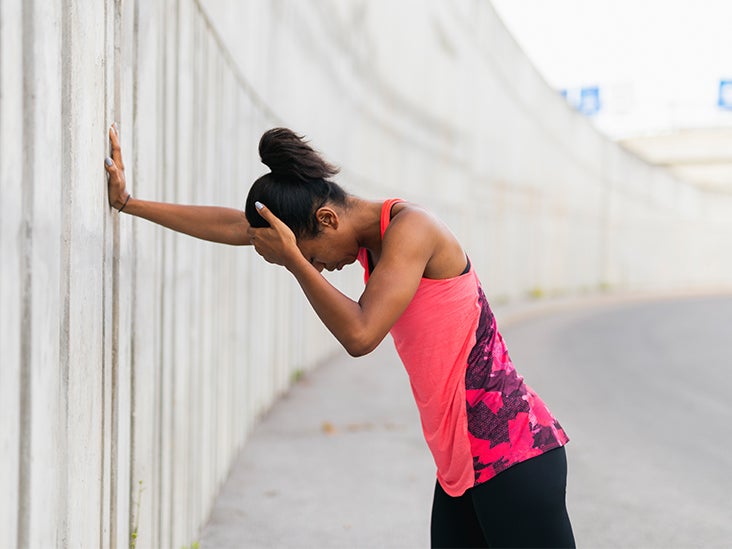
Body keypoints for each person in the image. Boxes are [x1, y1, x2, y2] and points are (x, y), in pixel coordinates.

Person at [104, 124, 575, 548]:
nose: (317, 265)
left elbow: (361, 334)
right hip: (462, 465)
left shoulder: (414, 230)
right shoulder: (373, 240)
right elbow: (236, 226)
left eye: (312, 254)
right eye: (308, 261)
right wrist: (129, 203)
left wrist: (293, 261)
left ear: (327, 220)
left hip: (512, 453)